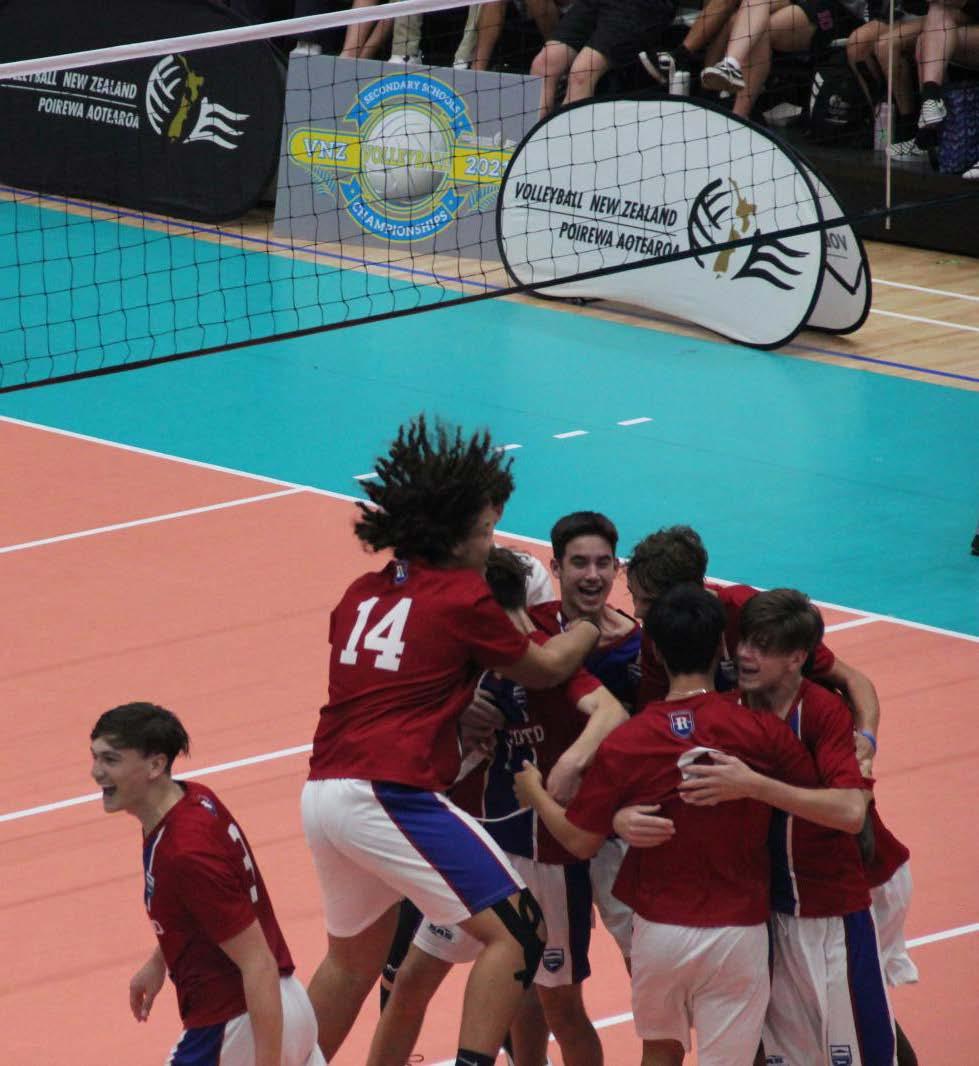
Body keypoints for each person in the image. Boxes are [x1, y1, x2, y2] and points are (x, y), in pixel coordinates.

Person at [300, 415, 601, 1066]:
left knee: (350, 962)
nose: (491, 545)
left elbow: (409, 674)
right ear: (453, 532)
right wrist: (585, 626)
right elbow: (544, 668)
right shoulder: (463, 596)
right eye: (486, 531)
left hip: (322, 793)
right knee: (519, 931)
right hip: (387, 792)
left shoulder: (359, 594)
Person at [515, 584, 867, 1066]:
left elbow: (578, 842)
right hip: (738, 929)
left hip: (658, 932)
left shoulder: (628, 739)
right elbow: (832, 804)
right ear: (722, 646)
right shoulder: (760, 729)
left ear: (656, 651)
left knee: (659, 1053)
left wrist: (534, 792)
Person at [368, 547, 627, 1066]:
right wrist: (458, 716)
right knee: (412, 980)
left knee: (558, 1006)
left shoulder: (545, 657)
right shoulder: (458, 665)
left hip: (545, 857)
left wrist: (570, 762)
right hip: (478, 850)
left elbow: (611, 711)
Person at [681, 588, 896, 1065]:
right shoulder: (728, 709)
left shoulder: (821, 711)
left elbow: (850, 812)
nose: (744, 654)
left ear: (797, 657)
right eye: (744, 641)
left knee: (863, 1053)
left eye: (761, 646)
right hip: (766, 917)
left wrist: (753, 785)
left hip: (830, 913)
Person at [90, 702, 324, 1066]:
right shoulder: (192, 800)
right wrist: (160, 961)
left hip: (239, 1024)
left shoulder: (184, 852)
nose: (96, 772)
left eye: (111, 760)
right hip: (286, 1004)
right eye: (95, 758)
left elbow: (258, 963)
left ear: (155, 765)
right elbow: (203, 908)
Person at [626, 525, 881, 773]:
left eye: (649, 601)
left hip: (801, 741)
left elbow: (852, 679)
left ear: (688, 593)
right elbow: (656, 717)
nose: (637, 611)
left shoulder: (748, 612)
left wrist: (867, 739)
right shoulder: (657, 637)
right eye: (633, 596)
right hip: (739, 748)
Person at [530, 511, 643, 966]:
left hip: (615, 833)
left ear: (618, 568)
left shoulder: (639, 646)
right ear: (555, 568)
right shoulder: (532, 630)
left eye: (603, 563)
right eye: (579, 563)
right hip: (540, 829)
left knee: (644, 963)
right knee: (538, 974)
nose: (592, 575)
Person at [699, 0, 866, 119]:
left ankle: (739, 116)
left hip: (838, 9)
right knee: (749, 8)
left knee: (760, 30)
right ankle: (730, 65)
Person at [530, 0, 677, 116]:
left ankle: (567, 143)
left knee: (582, 74)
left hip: (642, 5)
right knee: (543, 65)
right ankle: (526, 141)